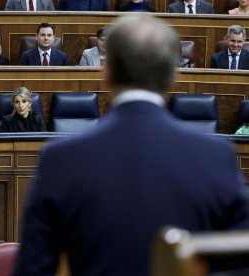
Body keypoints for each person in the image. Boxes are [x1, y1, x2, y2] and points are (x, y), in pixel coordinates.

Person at [12, 14, 249, 275]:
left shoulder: (61, 159)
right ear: (172, 77)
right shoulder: (216, 157)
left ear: (107, 73)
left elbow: (33, 269)